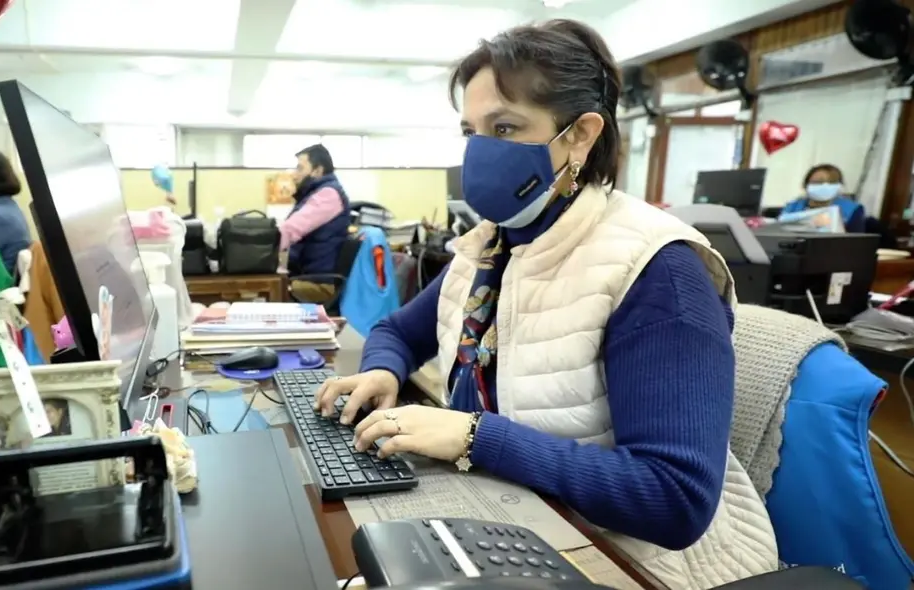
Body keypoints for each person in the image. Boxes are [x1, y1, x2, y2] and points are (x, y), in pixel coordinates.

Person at [313, 19, 778, 589]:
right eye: (471, 131)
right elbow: (398, 331)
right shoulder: (493, 244)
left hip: (638, 560)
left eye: (505, 127)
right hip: (507, 515)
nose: (481, 152)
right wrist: (382, 371)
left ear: (580, 134)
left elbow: (674, 499)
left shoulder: (657, 271)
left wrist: (475, 437)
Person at [282, 144, 352, 304]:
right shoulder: (315, 194)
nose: (294, 175)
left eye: (300, 168)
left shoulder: (328, 195)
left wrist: (263, 248)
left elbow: (291, 229)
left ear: (318, 171)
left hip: (319, 284)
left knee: (267, 290)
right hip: (307, 277)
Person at [780, 164, 865, 232]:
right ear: (806, 185)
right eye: (818, 182)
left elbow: (857, 241)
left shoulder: (852, 209)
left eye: (831, 182)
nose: (825, 186)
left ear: (839, 186)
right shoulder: (792, 207)